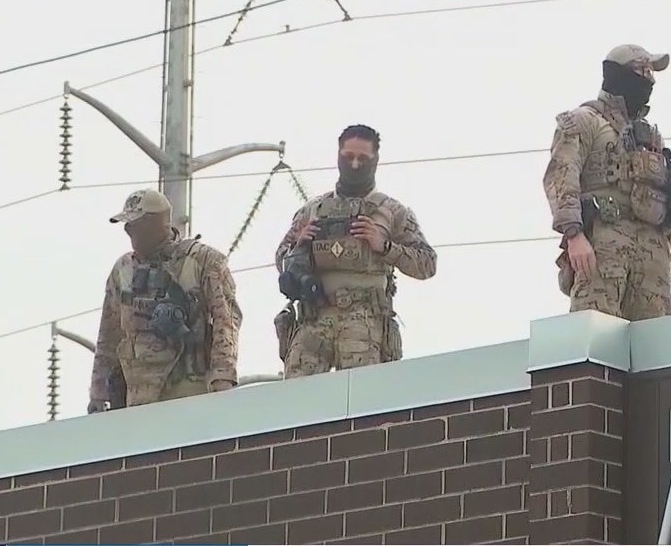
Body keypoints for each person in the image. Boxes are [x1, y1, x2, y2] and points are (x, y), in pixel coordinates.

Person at [543, 44, 671, 320]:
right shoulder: (583, 121)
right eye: (642, 70)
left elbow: (660, 201)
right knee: (596, 330)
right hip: (604, 245)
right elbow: (561, 177)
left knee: (656, 338)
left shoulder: (649, 137)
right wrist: (574, 235)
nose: (649, 79)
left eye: (651, 72)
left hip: (653, 255)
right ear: (618, 74)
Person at [274, 124, 436, 378]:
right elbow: (280, 259)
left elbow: (427, 264)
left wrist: (384, 247)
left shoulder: (392, 212)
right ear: (338, 156)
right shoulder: (312, 210)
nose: (355, 164)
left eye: (363, 158)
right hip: (313, 322)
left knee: (363, 396)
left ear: (375, 160)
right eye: (348, 157)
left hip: (364, 325)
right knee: (297, 396)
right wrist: (299, 246)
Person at [88, 189, 241, 413]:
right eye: (128, 226)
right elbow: (108, 335)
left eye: (137, 225)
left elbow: (226, 321)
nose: (129, 231)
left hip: (189, 391)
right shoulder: (123, 270)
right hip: (138, 396)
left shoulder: (202, 261)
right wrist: (99, 392)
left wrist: (222, 379)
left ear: (158, 224)